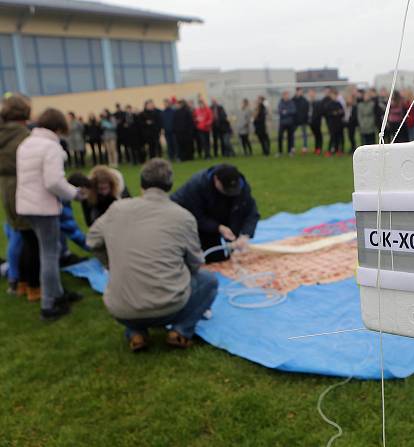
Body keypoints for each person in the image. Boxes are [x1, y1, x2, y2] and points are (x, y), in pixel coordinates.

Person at [87, 158, 218, 351]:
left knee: (129, 285)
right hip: (169, 307)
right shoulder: (182, 216)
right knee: (208, 281)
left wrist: (110, 264)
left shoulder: (117, 209)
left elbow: (92, 241)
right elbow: (196, 263)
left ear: (141, 184)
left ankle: (136, 332)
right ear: (170, 185)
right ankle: (181, 330)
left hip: (121, 309)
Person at [16, 108, 85, 320]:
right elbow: (54, 181)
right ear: (58, 127)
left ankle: (58, 294)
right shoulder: (51, 147)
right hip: (43, 208)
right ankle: (49, 304)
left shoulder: (26, 143)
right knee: (49, 254)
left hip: (26, 206)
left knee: (50, 249)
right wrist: (75, 194)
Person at [171, 164, 259, 262]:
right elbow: (195, 216)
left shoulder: (242, 187)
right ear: (216, 180)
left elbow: (251, 213)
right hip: (190, 224)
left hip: (215, 217)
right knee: (206, 259)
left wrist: (245, 235)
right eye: (226, 189)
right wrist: (217, 227)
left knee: (228, 257)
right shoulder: (197, 186)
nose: (230, 193)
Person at [0, 94, 32, 295]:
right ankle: (26, 281)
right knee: (26, 236)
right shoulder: (23, 136)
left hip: (5, 187)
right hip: (22, 188)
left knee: (15, 232)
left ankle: (15, 278)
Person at [324, 88, 345, 154]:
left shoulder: (339, 103)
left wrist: (338, 113)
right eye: (333, 95)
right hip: (332, 124)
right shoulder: (328, 104)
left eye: (336, 95)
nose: (334, 96)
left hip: (339, 124)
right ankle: (330, 150)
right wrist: (335, 113)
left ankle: (339, 150)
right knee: (332, 137)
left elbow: (342, 113)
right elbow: (327, 113)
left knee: (339, 137)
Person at [277, 90, 297, 156]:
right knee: (280, 137)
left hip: (290, 123)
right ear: (283, 96)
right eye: (284, 95)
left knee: (290, 137)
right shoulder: (280, 102)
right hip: (282, 123)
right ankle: (280, 152)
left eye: (287, 95)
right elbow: (280, 111)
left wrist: (286, 111)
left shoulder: (291, 102)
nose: (286, 96)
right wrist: (286, 112)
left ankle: (289, 151)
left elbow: (293, 111)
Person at [293, 88, 311, 154]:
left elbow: (307, 110)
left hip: (303, 120)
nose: (300, 93)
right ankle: (292, 147)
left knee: (304, 134)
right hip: (295, 120)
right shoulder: (293, 100)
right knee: (292, 134)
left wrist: (306, 119)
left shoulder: (304, 100)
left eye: (301, 91)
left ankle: (305, 147)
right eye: (299, 91)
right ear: (296, 92)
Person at [309, 89, 325, 155]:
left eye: (312, 93)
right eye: (310, 93)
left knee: (319, 135)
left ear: (314, 94)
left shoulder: (318, 102)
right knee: (316, 136)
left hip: (317, 122)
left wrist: (317, 118)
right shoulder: (309, 103)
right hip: (311, 122)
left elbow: (320, 112)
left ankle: (319, 148)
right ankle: (316, 148)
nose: (311, 94)